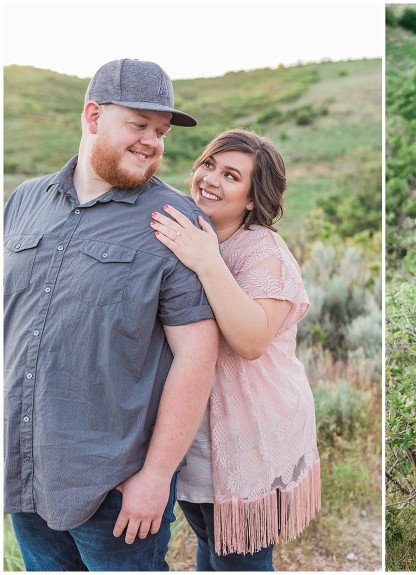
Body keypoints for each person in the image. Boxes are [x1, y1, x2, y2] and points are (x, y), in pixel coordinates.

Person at [4, 59, 219, 571]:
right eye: (139, 124)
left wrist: (156, 477)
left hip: (115, 488)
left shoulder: (174, 220)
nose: (151, 142)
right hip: (25, 467)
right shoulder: (24, 201)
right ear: (93, 116)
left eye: (160, 132)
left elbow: (197, 356)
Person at [150, 128, 321, 571]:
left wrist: (207, 261)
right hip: (196, 438)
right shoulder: (190, 231)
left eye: (231, 175)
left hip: (254, 438)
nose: (211, 179)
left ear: (251, 199)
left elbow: (251, 341)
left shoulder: (264, 252)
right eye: (209, 164)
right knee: (211, 547)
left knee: (240, 560)